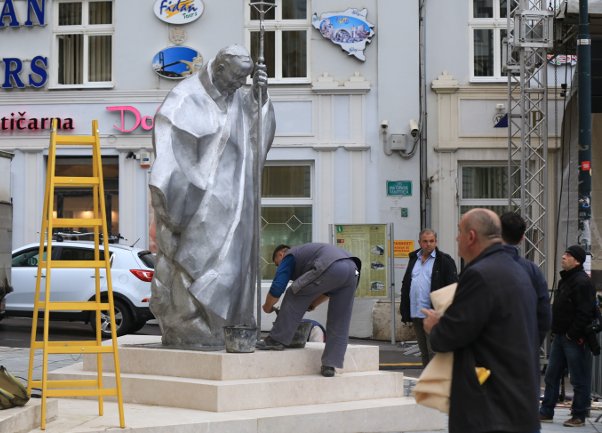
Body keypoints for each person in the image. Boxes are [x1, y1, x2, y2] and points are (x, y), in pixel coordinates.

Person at [149, 45, 276, 347]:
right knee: (193, 267)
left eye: (243, 80)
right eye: (234, 78)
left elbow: (258, 136)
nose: (238, 86)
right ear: (218, 69)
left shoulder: (241, 99)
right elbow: (171, 155)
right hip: (199, 205)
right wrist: (187, 203)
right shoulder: (185, 98)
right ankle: (191, 326)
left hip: (236, 202)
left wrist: (261, 98)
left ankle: (229, 325)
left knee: (233, 266)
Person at [422, 208, 541, 433]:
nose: (456, 238)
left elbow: (450, 336)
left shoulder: (479, 274)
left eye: (459, 231)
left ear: (471, 236)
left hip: (489, 409)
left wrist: (435, 327)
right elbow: (540, 323)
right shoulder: (519, 271)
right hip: (518, 402)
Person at [257, 243, 360, 378]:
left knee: (293, 292)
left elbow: (278, 287)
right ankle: (330, 364)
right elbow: (328, 290)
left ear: (281, 254)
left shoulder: (289, 255)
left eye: (277, 264)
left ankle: (276, 340)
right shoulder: (309, 255)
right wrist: (312, 304)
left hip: (330, 265)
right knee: (340, 319)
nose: (278, 267)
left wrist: (267, 306)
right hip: (352, 270)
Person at [539, 245, 596, 427]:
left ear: (577, 261)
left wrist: (572, 334)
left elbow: (585, 312)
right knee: (551, 375)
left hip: (573, 339)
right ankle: (546, 411)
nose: (563, 257)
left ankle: (579, 415)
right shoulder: (566, 281)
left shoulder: (582, 282)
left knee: (578, 378)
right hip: (561, 337)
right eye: (564, 254)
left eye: (568, 255)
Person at [400, 229, 458, 367]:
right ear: (419, 242)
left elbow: (452, 288)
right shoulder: (414, 259)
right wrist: (404, 310)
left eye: (431, 241)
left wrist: (446, 314)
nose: (428, 244)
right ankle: (426, 381)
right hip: (416, 313)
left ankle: (436, 384)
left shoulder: (444, 260)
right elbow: (407, 283)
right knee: (424, 352)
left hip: (433, 314)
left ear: (436, 242)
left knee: (435, 352)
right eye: (425, 241)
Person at [500, 212, 551, 345]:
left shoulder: (481, 267)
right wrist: (532, 346)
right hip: (523, 349)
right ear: (522, 238)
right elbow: (544, 315)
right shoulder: (533, 270)